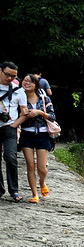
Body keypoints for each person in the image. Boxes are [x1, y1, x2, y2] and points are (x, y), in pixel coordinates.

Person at [16, 75, 55, 203]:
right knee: (30, 165)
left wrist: (39, 112)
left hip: (42, 135)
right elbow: (15, 115)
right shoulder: (18, 98)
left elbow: (52, 116)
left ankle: (42, 182)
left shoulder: (44, 98)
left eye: (30, 81)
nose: (26, 83)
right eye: (25, 81)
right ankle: (34, 194)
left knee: (41, 168)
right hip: (26, 134)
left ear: (36, 85)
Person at [0, 61, 28, 201]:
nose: (10, 78)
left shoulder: (18, 91)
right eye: (8, 75)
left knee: (10, 157)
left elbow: (24, 112)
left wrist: (14, 124)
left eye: (14, 76)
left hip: (9, 127)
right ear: (0, 71)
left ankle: (14, 190)